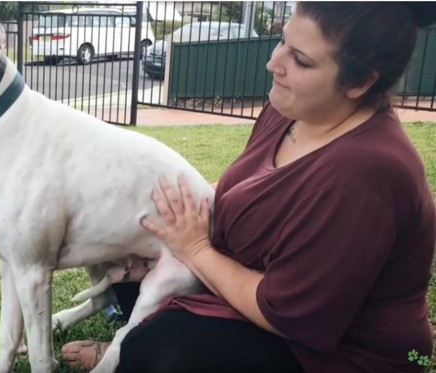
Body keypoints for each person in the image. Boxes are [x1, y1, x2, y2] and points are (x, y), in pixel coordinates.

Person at [61, 2, 436, 372]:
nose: (274, 63)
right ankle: (132, 338)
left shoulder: (367, 171)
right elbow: (251, 186)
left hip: (342, 347)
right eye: (282, 42)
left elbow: (287, 316)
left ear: (360, 82)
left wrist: (193, 248)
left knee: (161, 349)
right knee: (130, 249)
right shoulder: (290, 111)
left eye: (301, 60)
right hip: (244, 280)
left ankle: (131, 344)